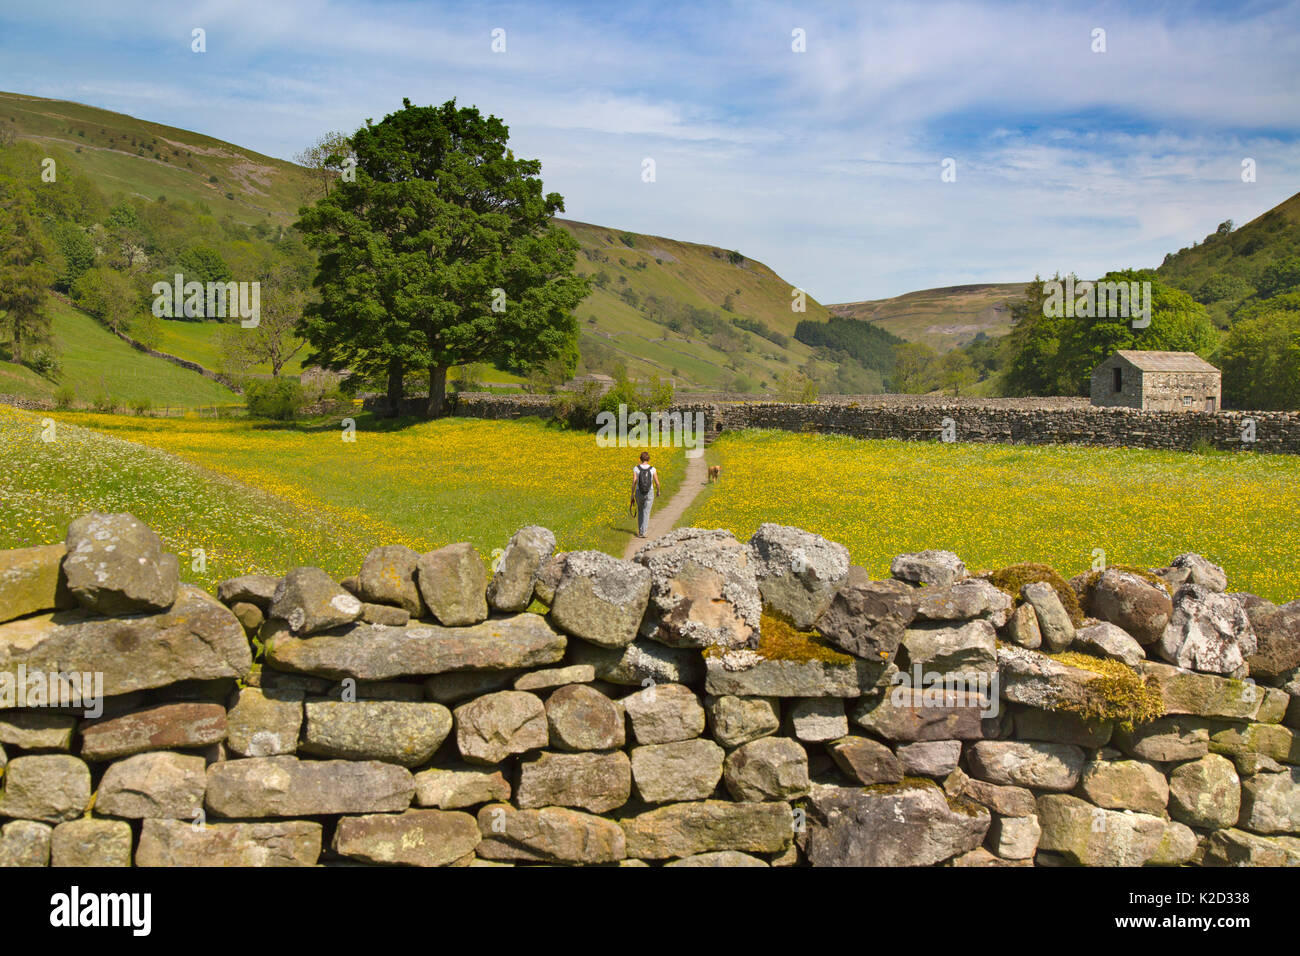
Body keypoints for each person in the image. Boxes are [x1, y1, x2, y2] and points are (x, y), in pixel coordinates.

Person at [631, 451, 661, 538]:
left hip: (638, 491)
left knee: (640, 510)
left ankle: (641, 531)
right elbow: (657, 483)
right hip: (649, 492)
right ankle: (643, 532)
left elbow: (634, 481)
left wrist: (632, 494)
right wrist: (658, 491)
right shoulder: (652, 469)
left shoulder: (636, 468)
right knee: (646, 512)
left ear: (640, 459)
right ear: (648, 459)